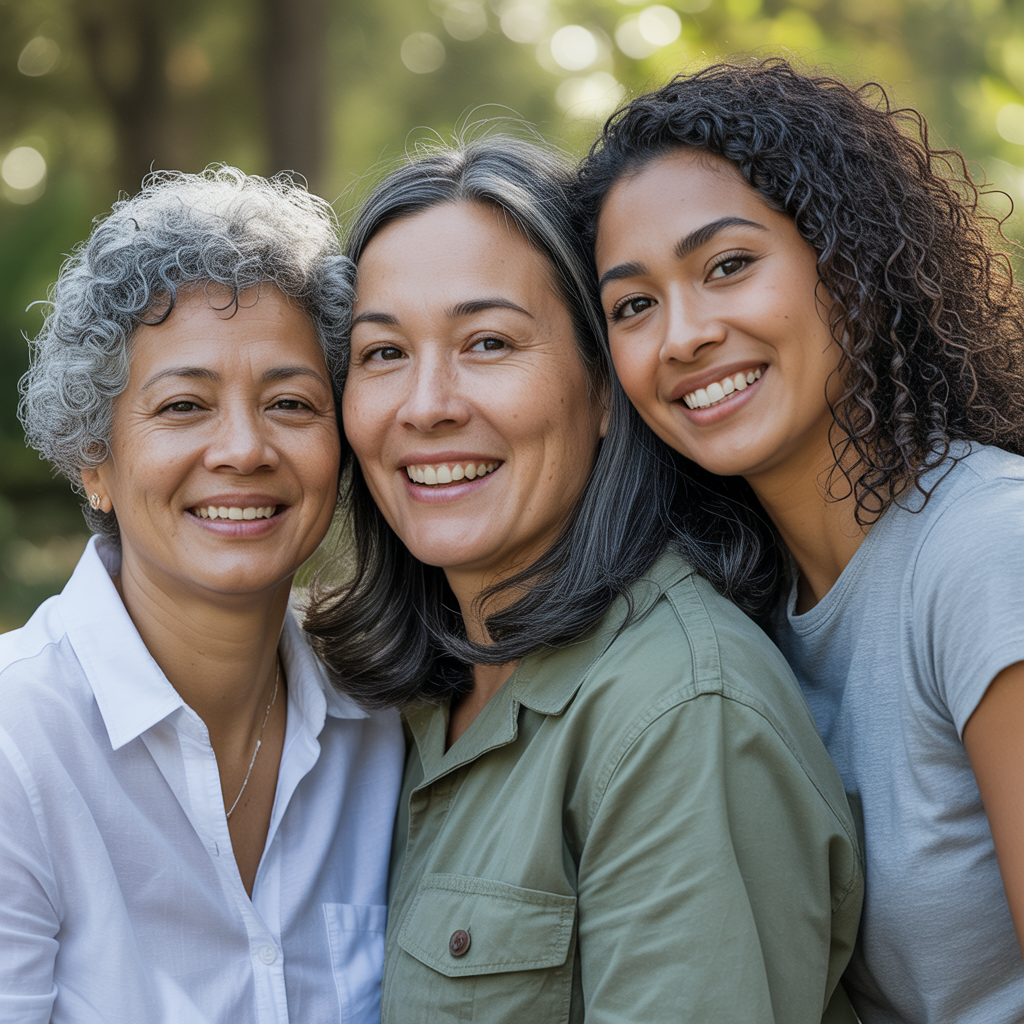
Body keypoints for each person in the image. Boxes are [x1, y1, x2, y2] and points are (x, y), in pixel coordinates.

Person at [303, 137, 863, 1024]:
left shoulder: (677, 715)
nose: (426, 404)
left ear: (604, 388)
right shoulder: (395, 706)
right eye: (383, 353)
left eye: (488, 342)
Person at [577, 59, 1024, 1023]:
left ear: (850, 262)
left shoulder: (988, 547)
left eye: (728, 265)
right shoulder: (742, 609)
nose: (683, 336)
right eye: (634, 305)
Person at [3, 167, 403, 1023]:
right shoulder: (16, 745)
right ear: (94, 459)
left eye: (291, 402)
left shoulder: (388, 718)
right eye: (184, 405)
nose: (244, 449)